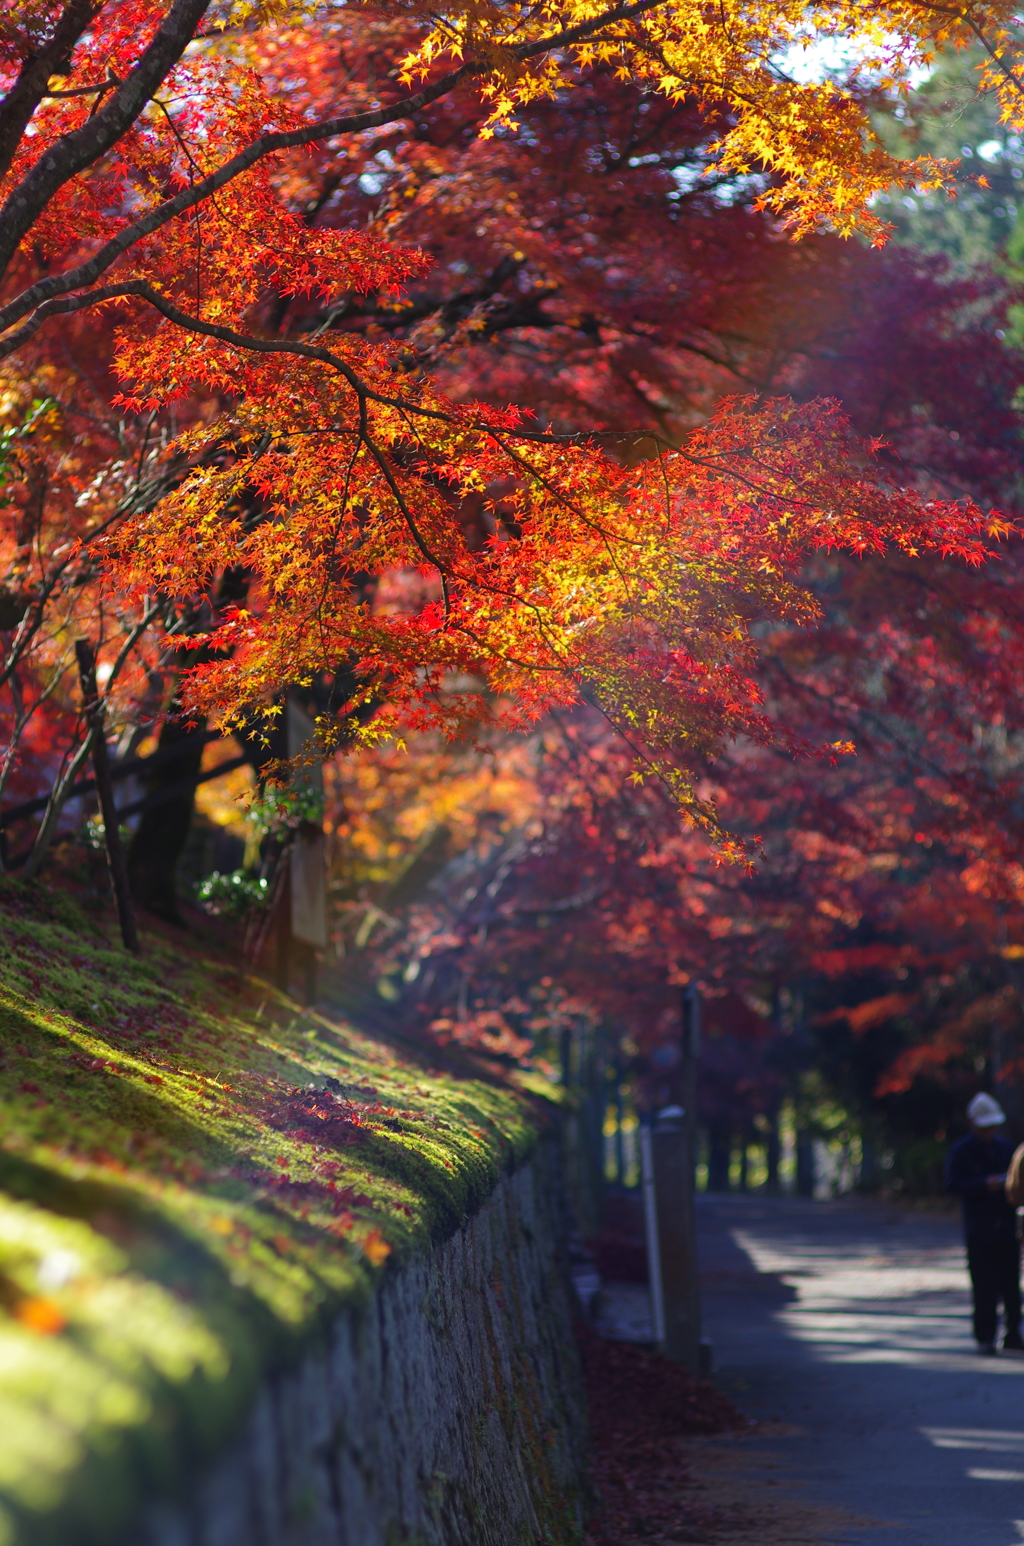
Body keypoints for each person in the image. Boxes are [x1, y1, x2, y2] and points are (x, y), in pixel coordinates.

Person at [945, 1093, 1023, 1355]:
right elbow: (952, 1184)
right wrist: (983, 1185)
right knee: (984, 1287)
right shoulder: (962, 1150)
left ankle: (1014, 1332)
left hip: (1007, 1227)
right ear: (972, 1123)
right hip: (979, 1229)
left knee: (1012, 1286)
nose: (989, 1130)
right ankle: (985, 1337)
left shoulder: (1005, 1147)